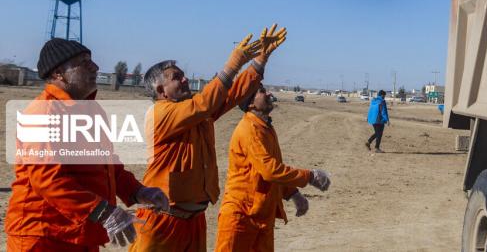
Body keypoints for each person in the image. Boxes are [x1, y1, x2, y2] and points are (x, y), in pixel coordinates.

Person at [129, 25, 286, 252]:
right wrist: (233, 64)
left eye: (183, 76)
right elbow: (204, 103)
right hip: (161, 222)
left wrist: (261, 58)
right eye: (177, 78)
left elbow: (231, 95)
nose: (184, 80)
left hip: (194, 222)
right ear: (161, 90)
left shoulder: (198, 115)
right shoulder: (158, 114)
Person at [5, 38, 169, 251]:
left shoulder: (91, 112)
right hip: (43, 235)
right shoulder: (43, 112)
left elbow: (109, 166)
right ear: (58, 74)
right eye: (84, 62)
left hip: (80, 233)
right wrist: (104, 212)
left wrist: (138, 191)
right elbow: (48, 180)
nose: (96, 67)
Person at [213, 85, 331, 252]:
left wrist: (293, 194)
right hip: (241, 217)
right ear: (251, 103)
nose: (269, 93)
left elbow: (275, 169)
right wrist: (310, 176)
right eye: (262, 91)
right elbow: (270, 170)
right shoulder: (249, 129)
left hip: (262, 217)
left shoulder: (266, 128)